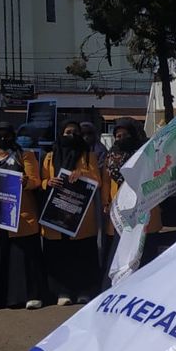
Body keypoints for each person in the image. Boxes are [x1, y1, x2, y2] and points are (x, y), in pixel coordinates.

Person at [0, 121, 47, 309]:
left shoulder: (24, 155)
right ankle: (0, 297)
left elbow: (35, 181)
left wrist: (25, 182)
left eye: (7, 135)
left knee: (24, 258)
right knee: (1, 258)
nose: (3, 139)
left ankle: (30, 295)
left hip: (22, 216)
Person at [41, 120, 102, 306]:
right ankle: (62, 292)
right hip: (56, 213)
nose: (72, 136)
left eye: (75, 132)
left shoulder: (88, 155)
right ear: (61, 134)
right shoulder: (50, 157)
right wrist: (48, 183)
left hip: (80, 216)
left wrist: (81, 173)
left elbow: (97, 180)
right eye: (67, 132)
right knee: (60, 255)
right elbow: (41, 181)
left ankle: (84, 291)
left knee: (82, 255)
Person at [101, 118, 162, 289]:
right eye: (118, 136)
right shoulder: (111, 156)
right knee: (120, 254)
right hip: (121, 212)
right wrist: (105, 202)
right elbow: (106, 181)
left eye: (125, 135)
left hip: (145, 209)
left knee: (145, 254)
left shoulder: (147, 153)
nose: (121, 139)